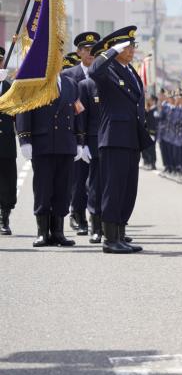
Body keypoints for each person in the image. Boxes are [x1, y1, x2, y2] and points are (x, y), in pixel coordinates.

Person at [88, 26, 153, 254]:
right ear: (118, 48)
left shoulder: (129, 71)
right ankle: (109, 239)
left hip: (131, 138)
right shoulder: (108, 70)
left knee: (127, 190)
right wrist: (110, 52)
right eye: (129, 46)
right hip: (114, 138)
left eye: (133, 46)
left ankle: (120, 233)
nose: (133, 50)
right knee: (113, 189)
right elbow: (94, 71)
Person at [16, 70, 84, 247]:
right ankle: (42, 233)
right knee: (43, 188)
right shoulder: (34, 82)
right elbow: (24, 109)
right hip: (43, 143)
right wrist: (25, 138)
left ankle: (58, 232)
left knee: (64, 188)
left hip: (66, 143)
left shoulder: (70, 83)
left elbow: (78, 112)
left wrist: (79, 140)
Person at [64, 31, 101, 236]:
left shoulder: (102, 74)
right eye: (86, 50)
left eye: (93, 50)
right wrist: (78, 140)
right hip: (75, 135)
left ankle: (98, 218)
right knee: (78, 180)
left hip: (96, 135)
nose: (90, 53)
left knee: (97, 181)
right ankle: (77, 215)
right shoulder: (69, 75)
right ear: (78, 52)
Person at [0, 46, 17, 235]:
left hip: (5, 143)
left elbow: (17, 112)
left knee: (7, 183)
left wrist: (11, 86)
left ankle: (4, 218)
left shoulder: (9, 87)